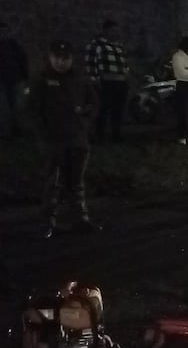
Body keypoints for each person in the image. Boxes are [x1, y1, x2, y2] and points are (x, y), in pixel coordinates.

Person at [28, 41, 102, 239]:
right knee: (54, 183)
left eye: (66, 58)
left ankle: (80, 220)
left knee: (76, 183)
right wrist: (43, 137)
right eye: (57, 57)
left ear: (71, 58)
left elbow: (93, 103)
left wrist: (85, 120)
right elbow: (34, 112)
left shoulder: (79, 78)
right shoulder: (42, 79)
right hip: (54, 141)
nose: (61, 62)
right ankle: (47, 223)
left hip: (78, 139)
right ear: (51, 57)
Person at [84, 20, 129, 143]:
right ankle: (100, 135)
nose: (116, 33)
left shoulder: (119, 46)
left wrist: (126, 75)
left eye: (117, 30)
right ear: (105, 31)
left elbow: (124, 63)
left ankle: (116, 135)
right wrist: (94, 80)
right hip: (105, 82)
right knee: (102, 109)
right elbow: (90, 64)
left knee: (118, 110)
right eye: (113, 30)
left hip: (121, 82)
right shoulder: (96, 45)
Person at [0, 21, 28, 139]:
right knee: (4, 108)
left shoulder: (13, 45)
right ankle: (5, 132)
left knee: (17, 107)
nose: (3, 34)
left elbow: (23, 59)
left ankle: (17, 130)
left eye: (4, 31)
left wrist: (24, 76)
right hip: (2, 82)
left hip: (15, 80)